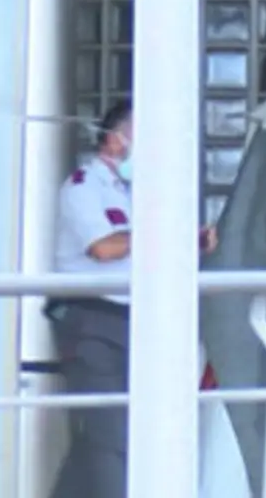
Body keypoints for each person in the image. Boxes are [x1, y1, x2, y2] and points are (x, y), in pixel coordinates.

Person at [46, 99, 217, 498]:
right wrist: (167, 235)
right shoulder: (83, 187)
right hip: (91, 321)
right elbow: (103, 248)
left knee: (108, 433)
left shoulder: (132, 193)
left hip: (131, 321)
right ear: (113, 139)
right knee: (113, 437)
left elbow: (146, 247)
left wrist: (189, 239)